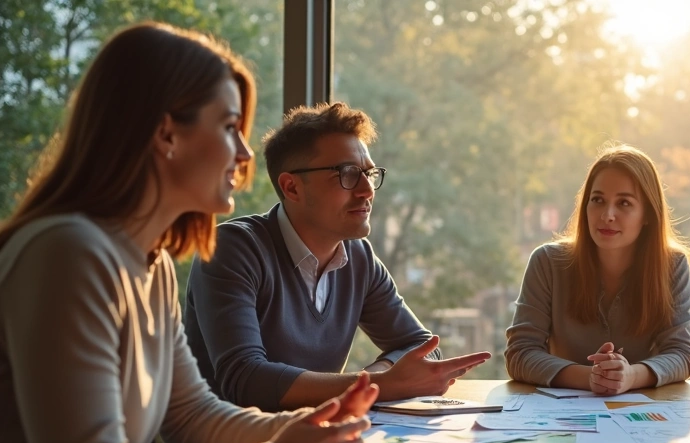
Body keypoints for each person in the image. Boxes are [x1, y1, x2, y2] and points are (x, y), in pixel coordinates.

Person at [0, 23, 375, 443]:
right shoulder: (67, 254)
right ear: (165, 134)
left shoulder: (147, 263)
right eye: (230, 128)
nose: (247, 155)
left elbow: (192, 417)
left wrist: (301, 430)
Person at [184, 102, 490, 412]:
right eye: (347, 174)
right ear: (291, 187)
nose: (366, 191)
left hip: (314, 439)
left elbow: (422, 348)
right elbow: (245, 380)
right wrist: (378, 386)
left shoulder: (359, 258)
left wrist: (374, 379)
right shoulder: (233, 250)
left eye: (369, 174)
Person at [505, 143, 690, 394]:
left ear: (648, 214)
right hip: (562, 417)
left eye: (624, 203)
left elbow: (682, 354)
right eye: (597, 200)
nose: (607, 214)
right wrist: (591, 378)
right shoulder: (547, 262)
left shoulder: (672, 266)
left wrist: (631, 376)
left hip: (638, 417)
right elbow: (520, 353)